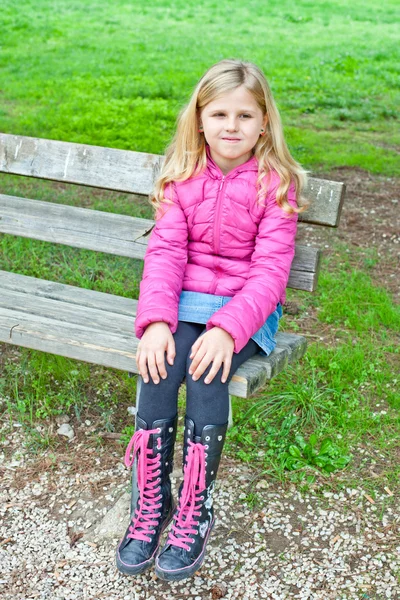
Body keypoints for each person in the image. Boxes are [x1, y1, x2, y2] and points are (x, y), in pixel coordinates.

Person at [116, 58, 307, 582]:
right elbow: (165, 257)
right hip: (182, 305)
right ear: (199, 119)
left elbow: (269, 274)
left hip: (247, 314)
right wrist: (156, 320)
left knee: (205, 372)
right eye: (219, 113)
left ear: (264, 122)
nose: (231, 126)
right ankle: (151, 503)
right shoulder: (181, 179)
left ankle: (195, 510)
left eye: (245, 116)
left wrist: (227, 329)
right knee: (158, 364)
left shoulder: (276, 184)